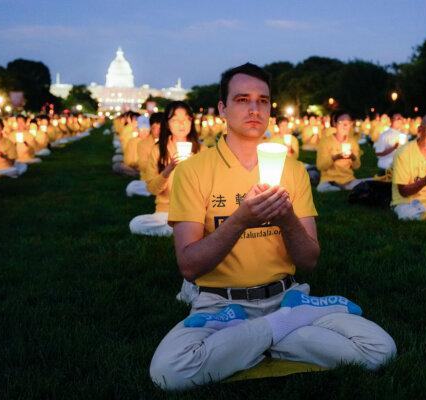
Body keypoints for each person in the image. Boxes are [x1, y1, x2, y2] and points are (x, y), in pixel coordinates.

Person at [149, 63, 396, 390]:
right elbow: (190, 266)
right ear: (223, 108)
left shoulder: (292, 171)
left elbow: (308, 260)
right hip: (221, 305)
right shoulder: (193, 171)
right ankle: (285, 326)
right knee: (169, 372)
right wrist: (241, 220)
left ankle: (253, 337)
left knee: (381, 350)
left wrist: (285, 218)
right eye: (242, 99)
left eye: (262, 100)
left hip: (286, 294)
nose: (254, 108)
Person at [129, 102, 204, 236]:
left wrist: (194, 166)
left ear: (191, 121)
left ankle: (182, 229)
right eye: (175, 120)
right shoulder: (158, 150)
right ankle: (183, 230)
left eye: (186, 119)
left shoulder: (202, 150)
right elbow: (152, 189)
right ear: (167, 124)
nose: (182, 124)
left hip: (195, 210)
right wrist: (169, 168)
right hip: (166, 211)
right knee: (136, 224)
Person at [316, 111, 368, 192]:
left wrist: (353, 157)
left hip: (348, 179)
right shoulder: (325, 141)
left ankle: (342, 188)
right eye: (342, 122)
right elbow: (320, 166)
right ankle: (340, 188)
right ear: (335, 124)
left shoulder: (352, 142)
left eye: (348, 123)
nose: (346, 126)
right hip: (329, 180)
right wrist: (335, 157)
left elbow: (357, 166)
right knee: (322, 188)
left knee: (365, 186)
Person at [126, 112, 164, 197]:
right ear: (151, 127)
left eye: (161, 128)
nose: (158, 131)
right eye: (155, 128)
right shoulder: (143, 144)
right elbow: (143, 165)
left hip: (167, 179)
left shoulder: (169, 141)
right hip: (149, 179)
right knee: (131, 187)